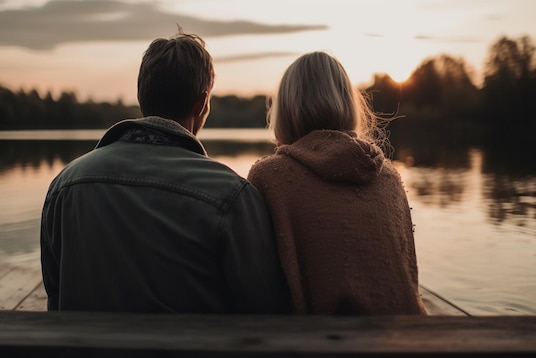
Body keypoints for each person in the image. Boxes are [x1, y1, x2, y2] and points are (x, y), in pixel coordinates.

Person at [40, 30, 290, 313]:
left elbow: (55, 296)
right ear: (202, 103)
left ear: (141, 96)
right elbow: (264, 311)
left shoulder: (64, 185)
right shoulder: (232, 197)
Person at [247, 51, 427, 315]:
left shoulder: (269, 176)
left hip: (318, 341)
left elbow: (257, 280)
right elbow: (410, 272)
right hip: (403, 338)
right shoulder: (388, 176)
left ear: (285, 108)